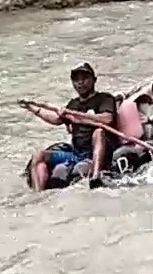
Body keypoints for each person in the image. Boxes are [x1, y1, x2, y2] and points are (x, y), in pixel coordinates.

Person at [21, 62, 117, 190]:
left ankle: (96, 177)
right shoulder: (73, 104)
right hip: (77, 153)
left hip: (98, 153)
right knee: (39, 156)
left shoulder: (104, 98)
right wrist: (32, 108)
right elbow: (56, 119)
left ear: (94, 80)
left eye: (84, 78)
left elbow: (108, 119)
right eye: (76, 80)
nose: (80, 83)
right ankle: (38, 194)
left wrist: (78, 117)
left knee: (98, 132)